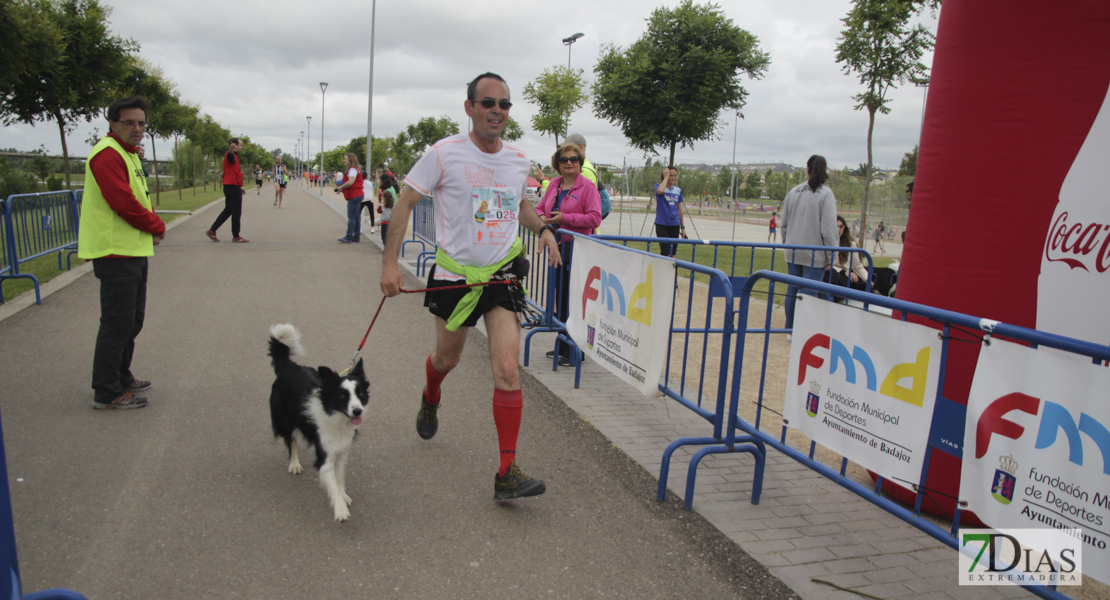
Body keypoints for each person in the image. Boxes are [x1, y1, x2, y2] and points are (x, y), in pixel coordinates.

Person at [380, 72, 561, 501]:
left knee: (508, 370)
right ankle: (430, 394)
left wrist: (544, 230)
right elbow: (405, 201)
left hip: (500, 277)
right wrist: (389, 262)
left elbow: (519, 204)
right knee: (447, 358)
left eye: (504, 104)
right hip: (454, 280)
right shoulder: (444, 154)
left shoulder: (518, 159)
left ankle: (506, 472)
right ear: (470, 108)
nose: (497, 110)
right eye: (488, 103)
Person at [77, 95, 166, 410]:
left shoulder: (128, 154)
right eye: (129, 122)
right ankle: (107, 391)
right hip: (114, 252)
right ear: (112, 123)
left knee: (132, 320)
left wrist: (149, 226)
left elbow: (139, 195)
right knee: (117, 323)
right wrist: (156, 225)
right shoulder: (107, 155)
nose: (137, 128)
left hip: (130, 249)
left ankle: (120, 375)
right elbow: (122, 201)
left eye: (141, 123)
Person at [535, 142, 602, 365]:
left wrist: (564, 218)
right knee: (561, 298)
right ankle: (563, 345)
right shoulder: (554, 185)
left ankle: (575, 350)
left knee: (574, 300)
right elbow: (539, 209)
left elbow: (594, 218)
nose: (569, 163)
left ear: (580, 163)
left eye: (574, 159)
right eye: (564, 160)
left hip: (578, 249)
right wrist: (542, 219)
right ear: (557, 164)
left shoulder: (587, 187)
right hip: (558, 247)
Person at [780, 154, 838, 333]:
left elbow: (784, 225)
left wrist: (787, 243)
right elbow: (828, 229)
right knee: (809, 293)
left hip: (794, 249)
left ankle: (790, 328)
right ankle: (803, 330)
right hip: (814, 252)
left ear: (807, 169)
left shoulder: (794, 192)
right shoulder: (826, 194)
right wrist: (832, 255)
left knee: (793, 290)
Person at [206, 138, 249, 243]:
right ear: (234, 145)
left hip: (231, 186)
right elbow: (230, 154)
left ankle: (212, 230)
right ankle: (236, 236)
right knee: (236, 212)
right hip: (232, 188)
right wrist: (231, 148)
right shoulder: (229, 155)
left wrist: (238, 187)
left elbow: (233, 173)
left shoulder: (233, 157)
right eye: (240, 145)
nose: (241, 147)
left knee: (228, 210)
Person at [827, 215, 869, 291]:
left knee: (868, 285)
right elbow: (827, 266)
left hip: (847, 277)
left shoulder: (851, 245)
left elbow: (858, 267)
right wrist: (844, 272)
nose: (838, 229)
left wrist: (868, 280)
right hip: (834, 276)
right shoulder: (825, 244)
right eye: (836, 226)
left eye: (841, 227)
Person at [653, 167, 686, 257]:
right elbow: (660, 191)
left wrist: (683, 228)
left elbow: (680, 210)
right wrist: (666, 177)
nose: (673, 178)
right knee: (665, 251)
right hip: (662, 224)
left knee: (672, 253)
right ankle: (661, 269)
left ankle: (672, 271)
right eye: (670, 175)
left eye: (674, 176)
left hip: (674, 224)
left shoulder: (678, 190)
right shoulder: (658, 187)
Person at [335, 153, 365, 243]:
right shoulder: (355, 170)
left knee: (351, 217)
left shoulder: (352, 170)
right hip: (358, 194)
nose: (344, 160)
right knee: (356, 217)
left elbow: (351, 181)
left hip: (354, 195)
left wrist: (341, 187)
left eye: (346, 159)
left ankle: (348, 237)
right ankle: (356, 236)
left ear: (350, 161)